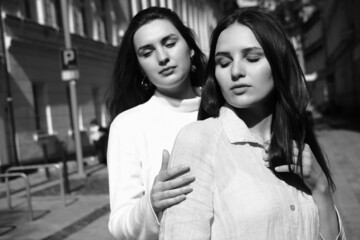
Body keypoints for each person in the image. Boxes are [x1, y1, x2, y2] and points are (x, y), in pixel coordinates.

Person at [160, 7, 346, 240]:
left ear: (279, 64)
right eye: (223, 62)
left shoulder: (298, 143)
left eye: (252, 58)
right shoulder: (199, 140)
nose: (236, 71)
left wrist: (321, 188)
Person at [106, 7, 207, 240]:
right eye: (147, 52)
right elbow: (119, 224)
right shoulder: (128, 126)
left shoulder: (224, 109)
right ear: (140, 66)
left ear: (190, 49)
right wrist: (151, 204)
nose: (162, 57)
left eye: (170, 43)